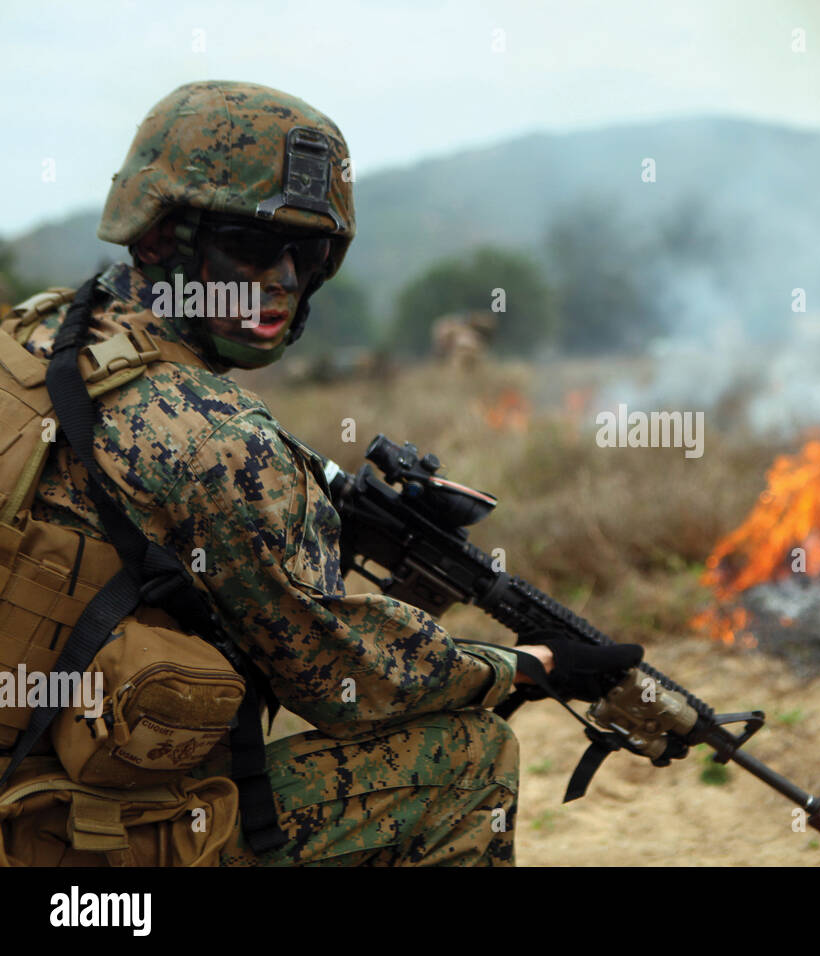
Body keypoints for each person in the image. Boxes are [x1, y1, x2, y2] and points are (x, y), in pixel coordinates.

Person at [9, 80, 640, 866]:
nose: (278, 279)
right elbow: (345, 680)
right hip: (65, 847)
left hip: (25, 781)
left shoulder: (33, 332)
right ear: (159, 238)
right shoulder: (222, 442)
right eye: (248, 243)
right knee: (468, 759)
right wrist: (528, 666)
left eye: (305, 252)